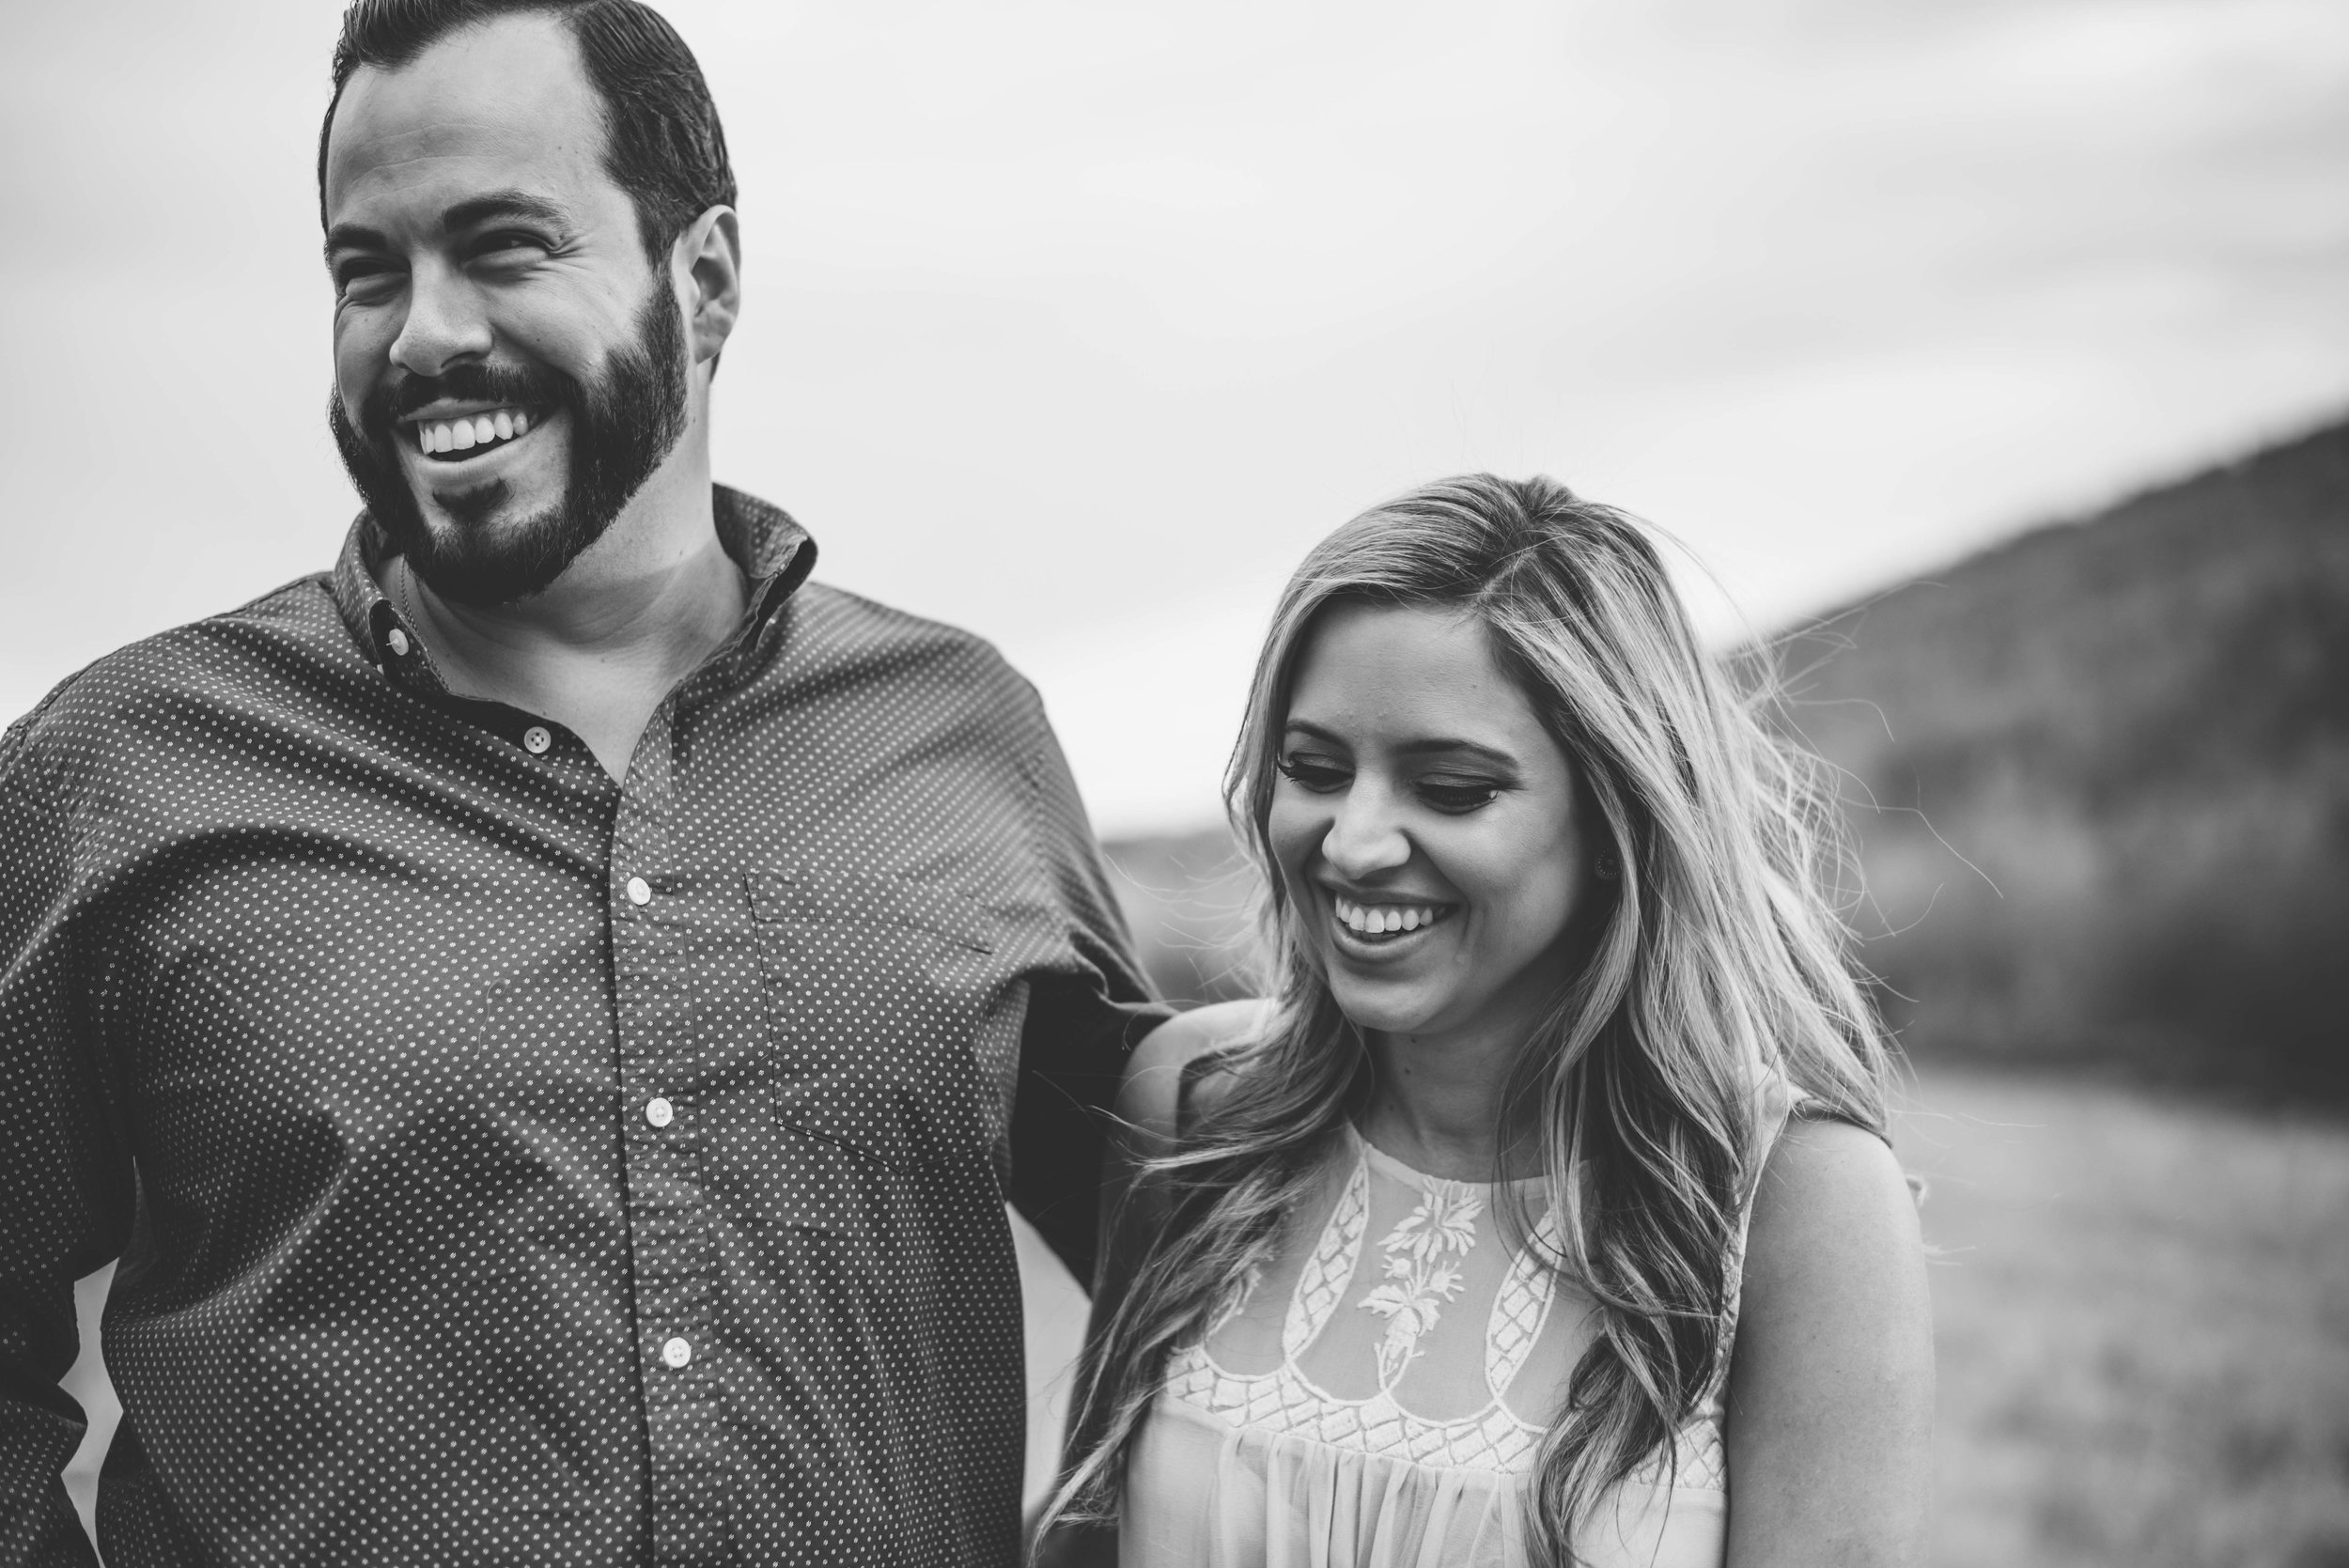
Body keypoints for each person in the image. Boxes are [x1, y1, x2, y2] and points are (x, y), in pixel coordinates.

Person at [0, 2, 1163, 1563]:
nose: (421, 332)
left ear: (708, 281)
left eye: (502, 244)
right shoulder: (122, 769)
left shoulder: (961, 737)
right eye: (368, 269)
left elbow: (1204, 1278)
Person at [1041, 475, 1934, 1566]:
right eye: (1312, 768)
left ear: (1616, 814)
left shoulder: (1796, 1200)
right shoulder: (1194, 1104)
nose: (1352, 841)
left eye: (1451, 787)